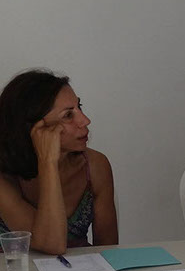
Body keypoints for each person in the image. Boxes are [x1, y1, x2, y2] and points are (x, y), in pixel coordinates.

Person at [0, 69, 118, 254]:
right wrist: (48, 162)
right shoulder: (3, 178)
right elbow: (51, 243)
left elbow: (109, 252)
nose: (85, 121)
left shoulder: (95, 166)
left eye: (79, 107)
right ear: (33, 129)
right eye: (68, 115)